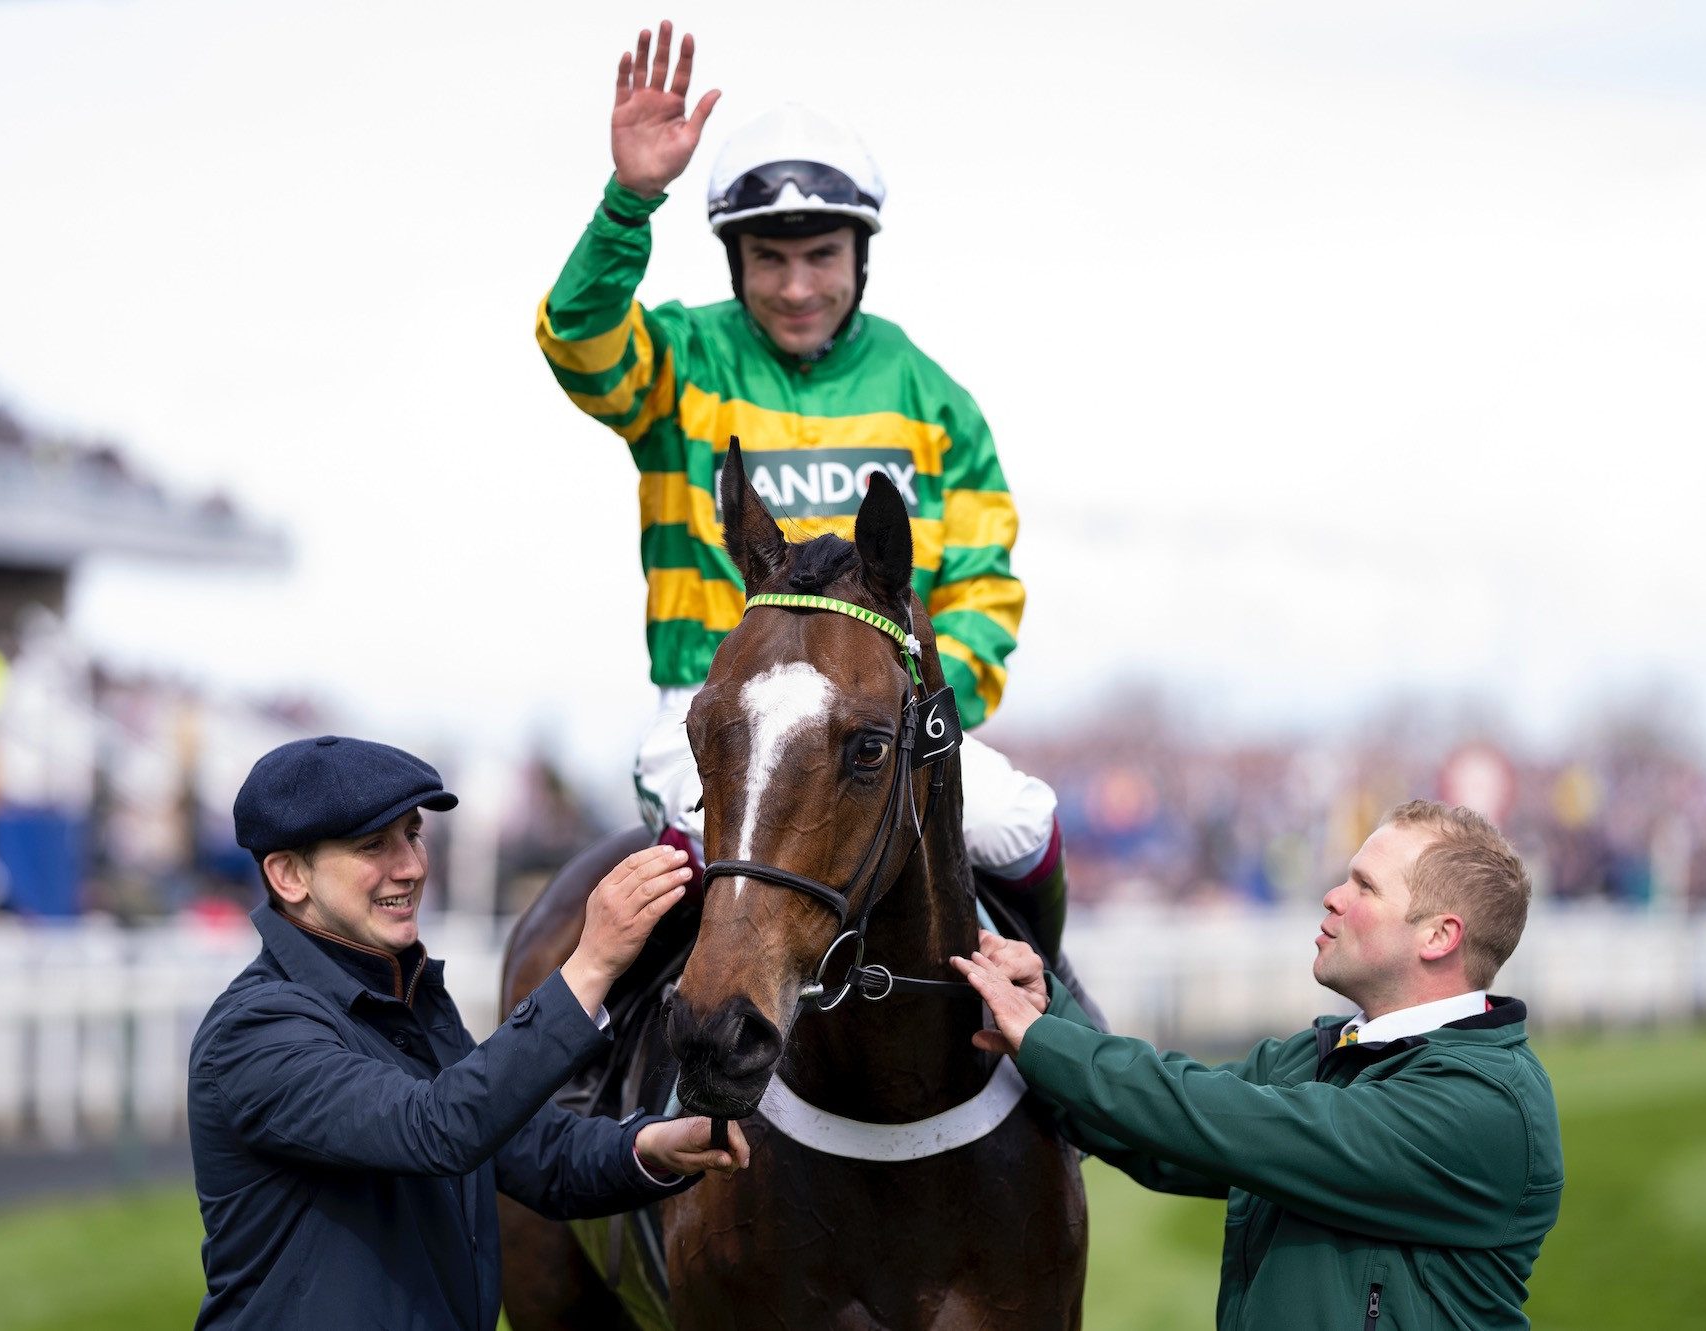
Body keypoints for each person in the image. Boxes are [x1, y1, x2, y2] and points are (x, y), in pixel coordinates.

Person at [535, 21, 1068, 955]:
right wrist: (630, 201)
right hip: (721, 716)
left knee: (1023, 822)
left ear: (861, 256)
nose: (794, 286)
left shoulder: (935, 401)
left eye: (819, 255)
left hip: (888, 720)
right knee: (719, 857)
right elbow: (579, 345)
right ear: (735, 262)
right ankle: (622, 1069)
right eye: (768, 260)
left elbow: (986, 590)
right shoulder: (681, 359)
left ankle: (1050, 1008)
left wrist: (913, 707)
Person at [187, 735, 751, 1330]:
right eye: (373, 844)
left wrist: (645, 1147)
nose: (411, 866)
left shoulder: (408, 997)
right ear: (288, 875)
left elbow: (533, 1152)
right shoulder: (254, 1032)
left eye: (412, 833)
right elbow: (439, 1130)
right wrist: (590, 966)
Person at [954, 799, 1564, 1329]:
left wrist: (1044, 1040)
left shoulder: (1487, 1104)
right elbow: (1161, 1132)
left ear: (1438, 936)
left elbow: (1217, 1117)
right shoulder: (1325, 1053)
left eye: (1365, 886)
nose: (1332, 895)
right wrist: (1045, 1009)